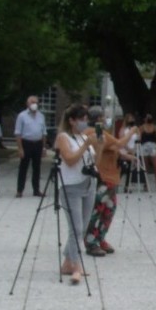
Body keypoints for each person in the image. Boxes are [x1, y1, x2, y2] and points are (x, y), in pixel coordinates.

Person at [55, 104, 98, 285]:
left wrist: (96, 144)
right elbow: (70, 160)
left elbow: (93, 159)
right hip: (71, 186)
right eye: (81, 119)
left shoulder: (83, 137)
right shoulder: (63, 137)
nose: (84, 123)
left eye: (86, 119)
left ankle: (67, 263)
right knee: (76, 228)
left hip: (89, 184)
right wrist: (86, 144)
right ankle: (76, 266)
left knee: (83, 226)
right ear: (72, 120)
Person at [83, 106, 134, 257]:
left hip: (111, 176)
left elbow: (112, 147)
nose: (106, 119)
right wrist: (132, 132)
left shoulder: (100, 133)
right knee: (98, 209)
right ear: (98, 119)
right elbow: (119, 143)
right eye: (104, 117)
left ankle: (100, 237)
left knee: (109, 209)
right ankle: (91, 242)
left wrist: (126, 157)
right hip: (103, 177)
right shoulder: (95, 132)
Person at [15, 96, 47, 198]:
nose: (35, 104)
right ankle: (20, 190)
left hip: (38, 143)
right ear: (27, 104)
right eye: (32, 102)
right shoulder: (22, 116)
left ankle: (36, 190)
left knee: (37, 168)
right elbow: (18, 133)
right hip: (26, 143)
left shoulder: (41, 116)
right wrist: (20, 148)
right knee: (23, 167)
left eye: (36, 102)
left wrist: (43, 147)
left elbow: (44, 133)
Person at [139, 114, 156, 191]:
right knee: (145, 166)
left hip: (153, 146)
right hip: (144, 146)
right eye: (147, 117)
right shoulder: (142, 127)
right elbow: (139, 138)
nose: (149, 118)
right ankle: (145, 184)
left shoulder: (155, 127)